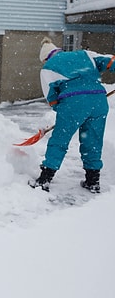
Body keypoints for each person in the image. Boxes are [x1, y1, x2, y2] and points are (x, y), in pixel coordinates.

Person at [29, 37, 114, 193]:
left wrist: (65, 113)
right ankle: (92, 181)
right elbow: (109, 61)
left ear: (45, 58)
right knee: (92, 140)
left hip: (73, 104)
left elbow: (52, 98)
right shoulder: (84, 54)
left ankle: (45, 179)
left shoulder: (48, 68)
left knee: (59, 140)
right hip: (99, 101)